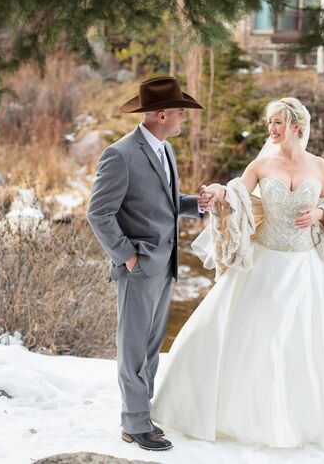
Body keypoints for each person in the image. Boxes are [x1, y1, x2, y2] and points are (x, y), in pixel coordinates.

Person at [150, 97, 324, 452]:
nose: (271, 129)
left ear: (296, 125)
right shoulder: (261, 164)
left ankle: (319, 420)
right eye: (269, 123)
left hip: (309, 265)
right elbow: (237, 196)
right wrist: (218, 192)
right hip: (265, 261)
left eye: (277, 123)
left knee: (323, 343)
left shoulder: (319, 165)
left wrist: (319, 215)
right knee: (247, 337)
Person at [87, 76, 215, 452]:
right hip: (139, 266)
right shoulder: (120, 154)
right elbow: (99, 213)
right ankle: (134, 424)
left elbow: (165, 198)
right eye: (179, 113)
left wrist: (196, 205)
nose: (183, 119)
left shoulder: (165, 150)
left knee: (150, 347)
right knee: (132, 348)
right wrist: (126, 256)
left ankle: (144, 416)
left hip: (165, 264)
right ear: (161, 114)